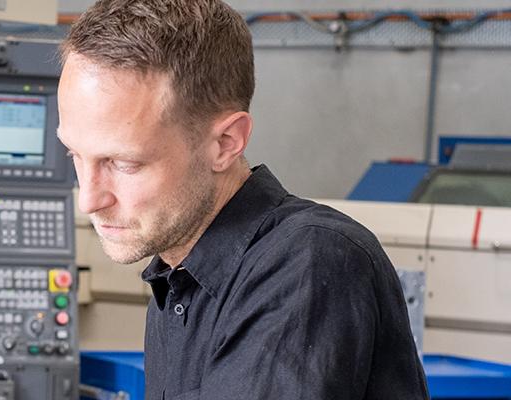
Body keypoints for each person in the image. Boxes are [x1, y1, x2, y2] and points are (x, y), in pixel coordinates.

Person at [56, 0, 428, 398]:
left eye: (123, 163)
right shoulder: (178, 280)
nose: (89, 200)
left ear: (226, 143)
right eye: (75, 156)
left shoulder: (309, 262)